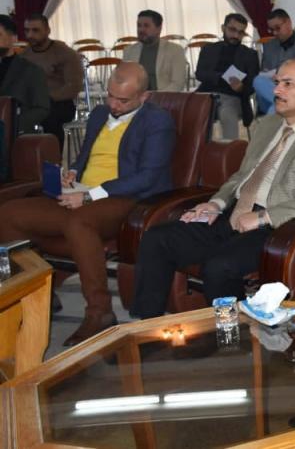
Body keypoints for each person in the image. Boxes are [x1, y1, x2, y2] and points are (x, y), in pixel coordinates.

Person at [132, 58, 295, 318]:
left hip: (277, 226)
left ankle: (234, 336)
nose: (277, 90)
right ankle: (146, 328)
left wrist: (263, 217)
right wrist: (216, 203)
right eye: (277, 82)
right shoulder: (267, 125)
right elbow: (242, 175)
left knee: (218, 266)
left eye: (287, 84)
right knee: (157, 238)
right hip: (233, 214)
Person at [0, 62, 174, 345]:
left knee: (78, 222)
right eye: (110, 95)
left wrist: (91, 195)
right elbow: (85, 156)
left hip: (126, 199)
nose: (113, 105)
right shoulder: (99, 114)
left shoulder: (158, 121)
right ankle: (37, 292)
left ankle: (99, 311)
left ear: (144, 96)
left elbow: (148, 176)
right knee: (9, 214)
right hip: (82, 193)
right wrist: (72, 173)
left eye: (123, 100)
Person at [22, 13, 84, 148]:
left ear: (47, 31)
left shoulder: (65, 53)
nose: (30, 35)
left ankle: (53, 158)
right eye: (27, 31)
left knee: (50, 117)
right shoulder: (24, 55)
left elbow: (74, 86)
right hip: (32, 104)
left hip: (60, 103)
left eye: (35, 30)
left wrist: (46, 98)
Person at [195, 13, 260, 140]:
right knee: (192, 111)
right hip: (206, 94)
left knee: (227, 114)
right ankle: (198, 148)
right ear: (223, 28)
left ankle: (230, 150)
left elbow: (253, 85)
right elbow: (200, 74)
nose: (236, 35)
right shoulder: (208, 49)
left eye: (240, 32)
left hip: (234, 97)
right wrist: (221, 77)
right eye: (232, 30)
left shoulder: (249, 55)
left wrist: (241, 88)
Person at [0, 14, 50, 134]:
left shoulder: (31, 71)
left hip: (15, 134)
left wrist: (11, 125)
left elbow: (41, 108)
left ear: (13, 39)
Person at [122, 9, 188, 91]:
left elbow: (178, 84)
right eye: (139, 25)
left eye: (146, 26)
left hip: (165, 96)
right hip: (136, 97)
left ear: (159, 29)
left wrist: (158, 96)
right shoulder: (129, 51)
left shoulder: (175, 50)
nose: (141, 30)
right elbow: (125, 80)